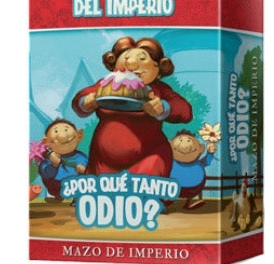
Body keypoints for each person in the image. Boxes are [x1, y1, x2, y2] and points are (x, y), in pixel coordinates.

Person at [72, 37, 192, 176]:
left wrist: (163, 108)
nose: (132, 64)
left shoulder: (159, 89)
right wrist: (86, 102)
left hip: (148, 157)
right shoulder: (106, 84)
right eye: (126, 57)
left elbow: (185, 111)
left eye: (142, 59)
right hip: (103, 160)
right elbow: (78, 101)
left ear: (158, 68)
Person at [38, 119, 88, 202]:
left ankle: (78, 198)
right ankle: (58, 197)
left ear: (79, 136)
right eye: (56, 131)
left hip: (76, 183)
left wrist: (85, 170)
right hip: (57, 184)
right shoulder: (49, 158)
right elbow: (45, 174)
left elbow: (92, 171)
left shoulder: (81, 157)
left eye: (66, 130)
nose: (62, 136)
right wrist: (54, 165)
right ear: (46, 142)